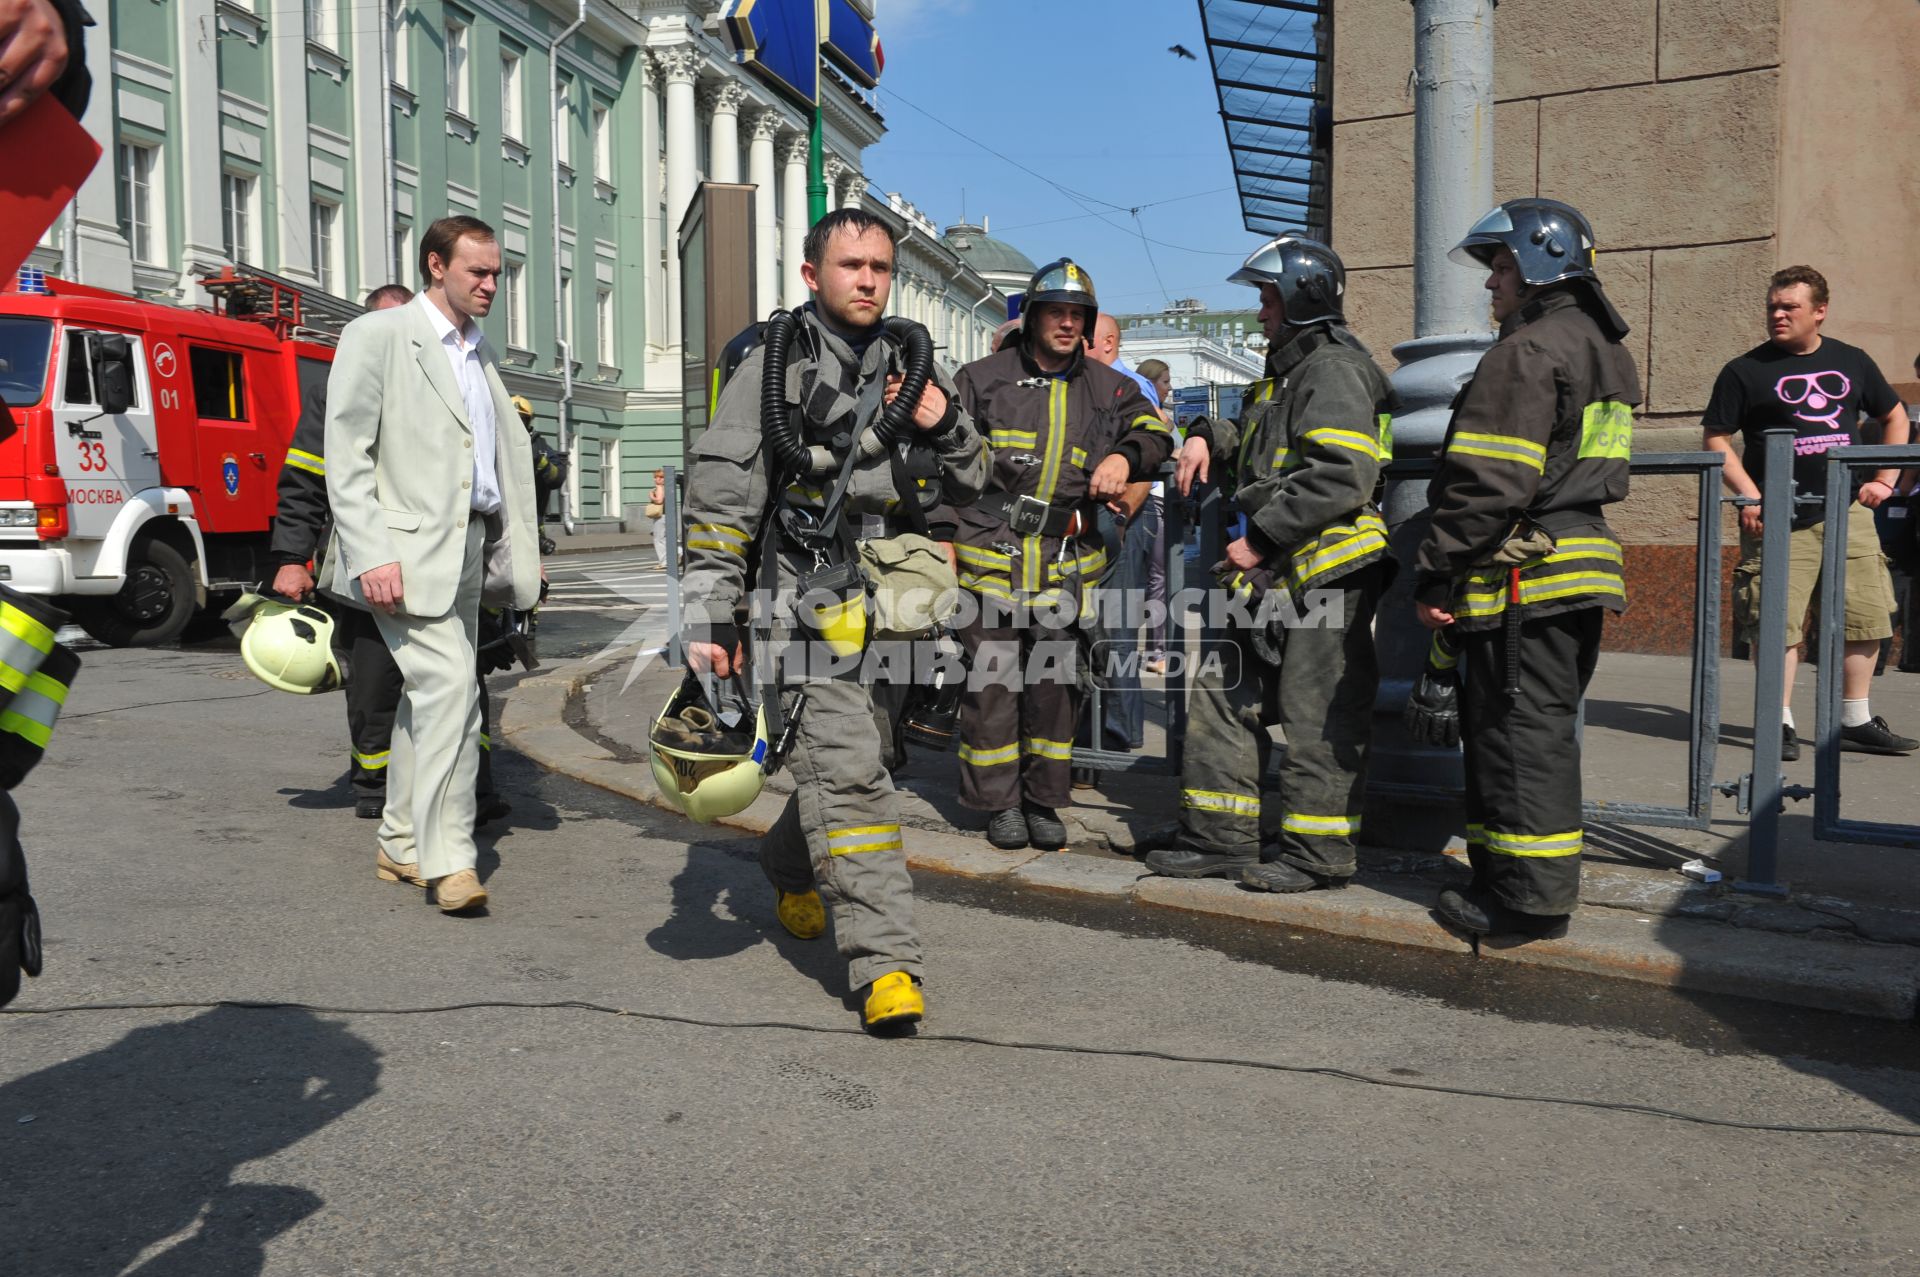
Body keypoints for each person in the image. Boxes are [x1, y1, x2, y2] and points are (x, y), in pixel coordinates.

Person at [679, 208, 986, 1031]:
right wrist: (712, 612)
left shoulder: (915, 365)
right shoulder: (771, 362)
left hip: (892, 598)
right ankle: (887, 966)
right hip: (801, 595)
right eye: (851, 264)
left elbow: (977, 477)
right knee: (849, 773)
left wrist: (941, 422)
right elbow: (722, 496)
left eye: (881, 267)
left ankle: (787, 864)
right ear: (813, 274)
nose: (868, 280)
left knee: (869, 761)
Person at [1414, 198, 1641, 939]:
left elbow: (1490, 483)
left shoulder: (1528, 351)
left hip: (1525, 577)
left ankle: (1525, 903)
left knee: (1518, 740)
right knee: (1532, 734)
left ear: (1542, 262)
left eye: (1502, 267)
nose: (1490, 285)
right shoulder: (1600, 346)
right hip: (1575, 566)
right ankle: (1504, 876)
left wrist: (1436, 569)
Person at [1142, 235, 1394, 892]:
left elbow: (1342, 474)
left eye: (1267, 297)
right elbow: (1257, 443)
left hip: (1322, 572)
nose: (1259, 312)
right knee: (1223, 689)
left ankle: (1319, 855)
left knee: (1317, 711)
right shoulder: (1289, 374)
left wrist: (1260, 537)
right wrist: (1203, 435)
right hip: (1275, 574)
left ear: (1301, 298)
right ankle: (1219, 839)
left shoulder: (1333, 369)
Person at [324, 215, 543, 914]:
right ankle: (448, 856)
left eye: (496, 274)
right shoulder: (380, 335)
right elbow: (348, 452)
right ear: (434, 266)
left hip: (468, 549)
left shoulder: (478, 354)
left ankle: (397, 838)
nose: (490, 285)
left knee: (431, 697)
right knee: (454, 688)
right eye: (477, 271)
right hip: (403, 552)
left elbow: (491, 465)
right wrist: (371, 552)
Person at [948, 260, 1173, 851]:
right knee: (993, 687)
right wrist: (946, 540)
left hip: (1065, 566)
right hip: (989, 556)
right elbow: (938, 464)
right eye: (1057, 312)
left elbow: (1156, 434)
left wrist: (1126, 455)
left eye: (1078, 315)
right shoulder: (979, 377)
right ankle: (998, 804)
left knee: (1055, 687)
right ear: (1033, 316)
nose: (1068, 324)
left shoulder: (1110, 387)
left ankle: (1044, 800)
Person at [1704, 266, 1915, 760]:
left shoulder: (1852, 361)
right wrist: (1749, 494)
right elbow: (1716, 436)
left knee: (1866, 616)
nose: (1777, 315)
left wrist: (1884, 479)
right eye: (1772, 306)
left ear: (1819, 312)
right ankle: (1777, 721)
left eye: (1789, 307)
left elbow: (1895, 415)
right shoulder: (1745, 370)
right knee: (1778, 623)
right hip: (1778, 515)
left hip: (1848, 511)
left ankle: (1854, 719)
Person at [269, 285, 414, 821]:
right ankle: (375, 788)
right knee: (374, 689)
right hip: (363, 569)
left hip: (443, 566)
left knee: (460, 686)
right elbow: (305, 478)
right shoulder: (336, 389)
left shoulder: (447, 377)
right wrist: (291, 556)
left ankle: (477, 788)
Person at [1080, 313, 1158, 761]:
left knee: (1119, 629)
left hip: (1126, 522)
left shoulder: (1131, 386)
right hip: (1095, 524)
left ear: (1108, 343)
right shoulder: (1086, 384)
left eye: (1087, 339)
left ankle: (1120, 733)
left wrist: (1124, 514)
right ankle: (1097, 731)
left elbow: (1149, 455)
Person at [1135, 358, 1177, 674]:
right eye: (1165, 381)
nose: (1169, 387)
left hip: (1156, 502)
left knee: (1152, 581)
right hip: (1154, 502)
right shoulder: (1149, 412)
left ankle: (1155, 650)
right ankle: (1157, 652)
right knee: (1158, 581)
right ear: (1151, 383)